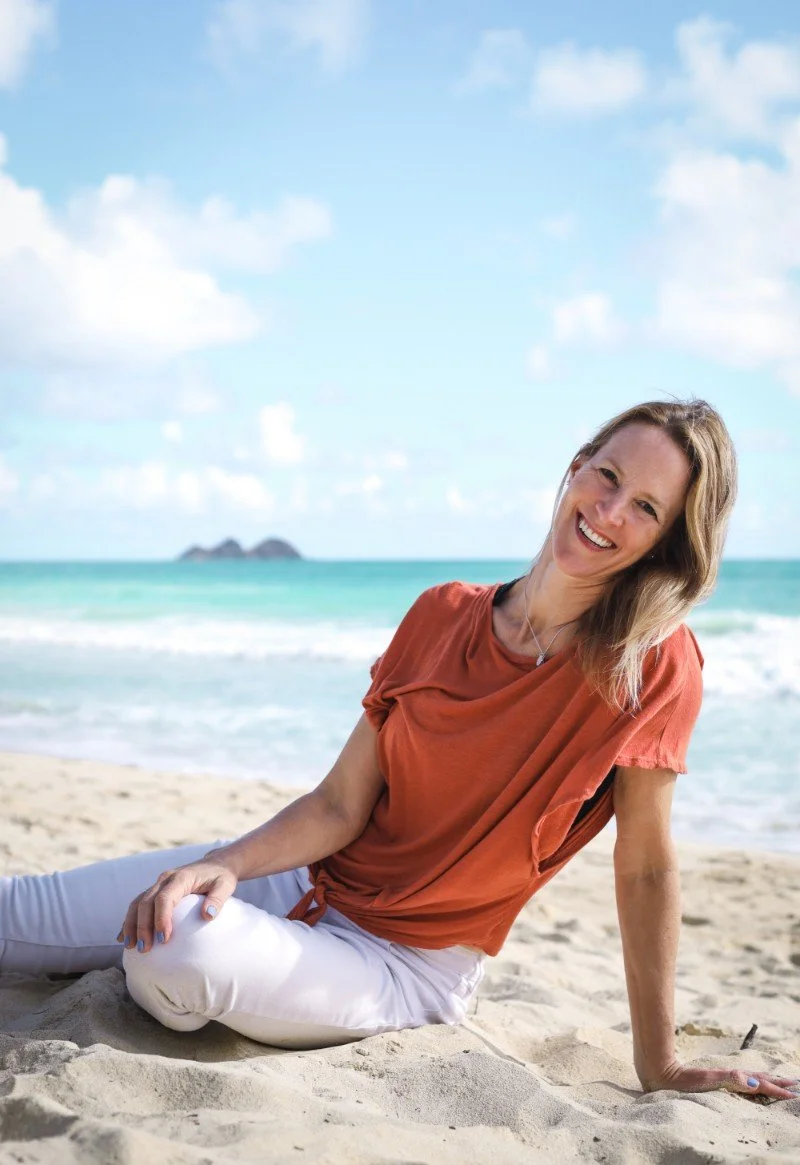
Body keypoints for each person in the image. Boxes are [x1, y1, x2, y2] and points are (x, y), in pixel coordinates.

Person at [2, 398, 797, 1102]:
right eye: (609, 475)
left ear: (666, 541)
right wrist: (231, 864)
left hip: (408, 964)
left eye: (647, 507)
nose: (610, 509)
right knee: (28, 911)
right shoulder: (441, 613)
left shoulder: (652, 664)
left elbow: (647, 864)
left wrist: (658, 1061)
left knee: (171, 948)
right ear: (576, 465)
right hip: (298, 884)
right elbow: (339, 804)